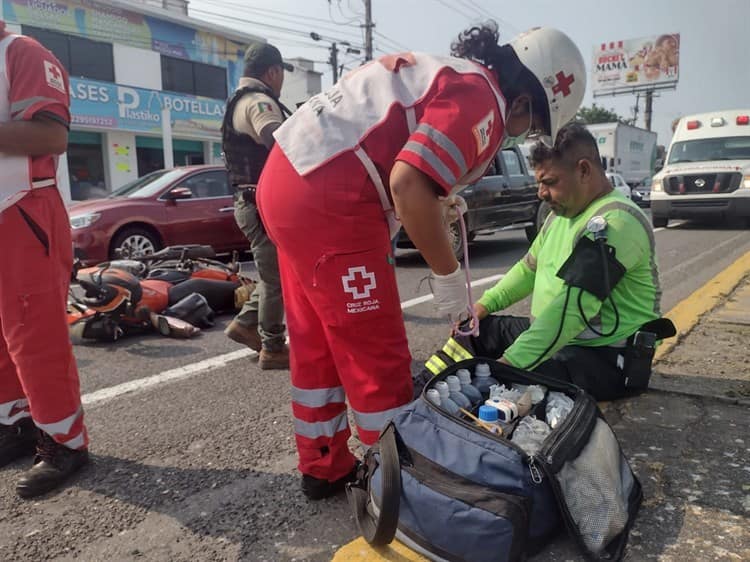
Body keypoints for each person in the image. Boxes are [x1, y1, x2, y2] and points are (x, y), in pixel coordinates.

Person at [256, 21, 586, 499]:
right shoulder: (484, 99)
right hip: (332, 199)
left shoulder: (451, 74)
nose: (523, 133)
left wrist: (441, 197)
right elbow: (409, 183)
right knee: (376, 353)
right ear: (521, 99)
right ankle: (397, 485)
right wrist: (448, 274)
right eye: (531, 122)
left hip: (287, 181)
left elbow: (403, 160)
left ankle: (323, 464)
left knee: (318, 343)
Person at [467, 123, 669, 400]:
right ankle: (428, 387)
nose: (541, 192)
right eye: (539, 182)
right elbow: (528, 269)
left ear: (584, 170)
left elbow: (573, 310)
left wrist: (510, 364)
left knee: (512, 386)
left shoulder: (616, 222)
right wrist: (482, 306)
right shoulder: (559, 216)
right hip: (561, 339)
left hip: (606, 356)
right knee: (474, 331)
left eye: (549, 182)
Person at [0, 20, 89, 498]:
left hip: (23, 209)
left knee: (35, 335)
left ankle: (64, 440)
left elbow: (51, 135)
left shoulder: (22, 52)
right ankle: (15, 422)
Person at [221, 42, 293, 370]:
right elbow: (281, 143)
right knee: (277, 278)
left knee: (271, 275)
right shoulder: (259, 102)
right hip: (259, 205)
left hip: (249, 202)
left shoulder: (238, 100)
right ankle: (273, 346)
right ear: (273, 72)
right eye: (282, 75)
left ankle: (246, 324)